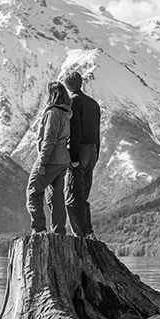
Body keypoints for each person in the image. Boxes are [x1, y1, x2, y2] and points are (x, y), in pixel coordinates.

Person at [26, 82, 72, 234]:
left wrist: (42, 162)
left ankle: (39, 229)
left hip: (51, 159)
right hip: (63, 160)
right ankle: (59, 230)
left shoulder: (53, 113)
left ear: (52, 95)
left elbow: (49, 139)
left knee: (33, 191)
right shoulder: (66, 113)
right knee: (56, 195)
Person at [62, 71, 101, 240]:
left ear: (68, 86)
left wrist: (74, 157)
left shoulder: (73, 101)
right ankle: (88, 231)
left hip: (80, 150)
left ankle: (80, 234)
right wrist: (96, 153)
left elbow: (75, 129)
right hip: (92, 150)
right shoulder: (93, 103)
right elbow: (98, 131)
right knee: (83, 194)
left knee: (72, 195)